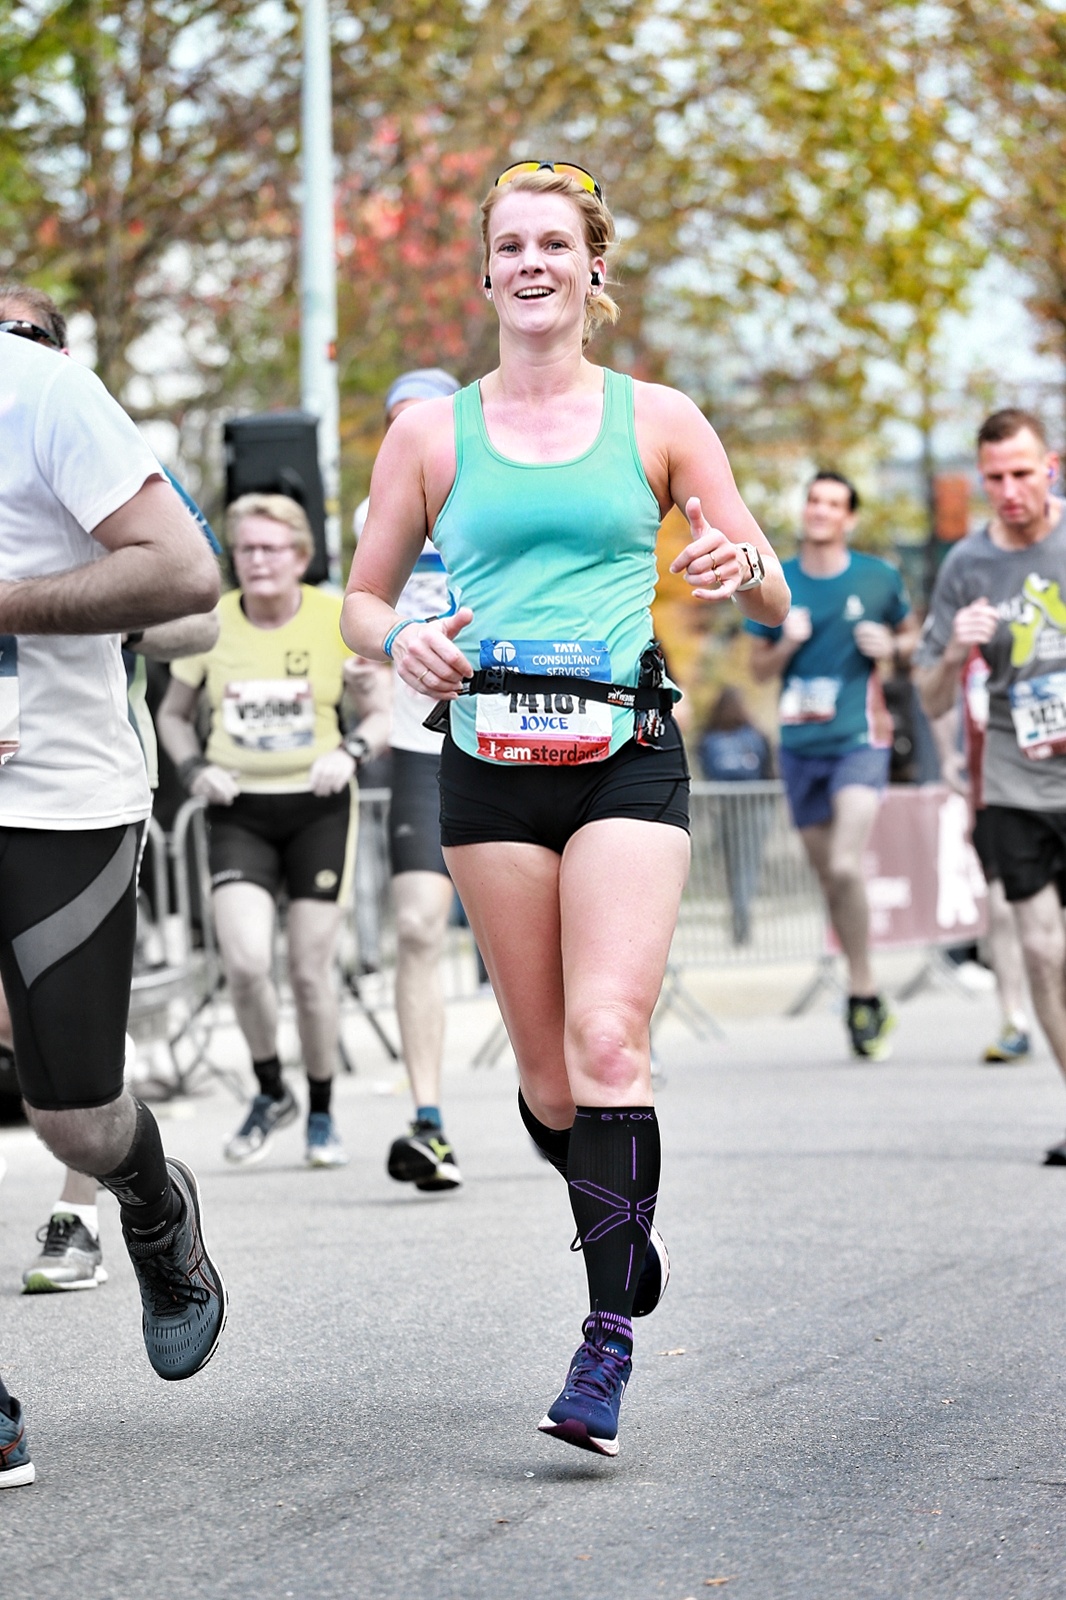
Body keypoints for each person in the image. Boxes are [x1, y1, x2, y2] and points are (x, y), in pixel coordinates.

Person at [341, 159, 788, 1457]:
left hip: (623, 755)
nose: (530, 263)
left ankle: (604, 1345)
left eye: (554, 243)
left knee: (605, 1042)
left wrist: (736, 564)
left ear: (595, 267)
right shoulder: (431, 435)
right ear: (484, 272)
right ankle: (619, 1221)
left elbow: (771, 595)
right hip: (487, 761)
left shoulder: (659, 419)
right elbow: (363, 597)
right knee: (548, 1086)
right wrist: (403, 637)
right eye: (509, 245)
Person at [0, 310, 226, 1391]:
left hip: (55, 790)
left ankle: (150, 1203)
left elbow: (187, 578)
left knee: (76, 1118)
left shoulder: (41, 391)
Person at [157, 493, 390, 1169]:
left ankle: (320, 1109)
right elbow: (173, 716)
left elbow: (380, 714)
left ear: (300, 556)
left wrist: (350, 751)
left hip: (319, 806)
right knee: (246, 962)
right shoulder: (210, 623)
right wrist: (195, 769)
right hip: (240, 810)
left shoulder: (335, 618)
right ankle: (270, 1090)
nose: (257, 560)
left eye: (270, 548)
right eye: (245, 549)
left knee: (310, 972)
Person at [916, 408, 1066, 1162]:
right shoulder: (966, 565)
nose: (1009, 491)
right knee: (1041, 951)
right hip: (1014, 778)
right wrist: (953, 654)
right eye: (995, 477)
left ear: (1051, 467)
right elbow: (931, 695)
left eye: (1022, 473)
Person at [747, 472, 918, 1059]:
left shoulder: (878, 577)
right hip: (800, 746)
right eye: (814, 501)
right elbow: (758, 670)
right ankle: (864, 991)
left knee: (846, 864)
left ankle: (863, 988)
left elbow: (912, 638)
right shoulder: (779, 580)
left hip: (859, 739)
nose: (820, 511)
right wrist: (787, 643)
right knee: (830, 879)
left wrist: (891, 647)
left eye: (833, 504)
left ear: (849, 518)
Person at [355, 368, 465, 1192]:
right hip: (420, 746)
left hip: (513, 735)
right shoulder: (377, 513)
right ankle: (429, 1122)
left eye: (421, 417)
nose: (408, 431)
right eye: (394, 420)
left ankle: (576, 1102)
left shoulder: (500, 493)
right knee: (420, 928)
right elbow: (362, 613)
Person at [697, 686, 774, 944]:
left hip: (726, 809)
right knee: (747, 866)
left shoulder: (708, 738)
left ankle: (739, 919)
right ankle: (742, 919)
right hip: (754, 808)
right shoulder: (755, 735)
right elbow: (769, 770)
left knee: (735, 868)